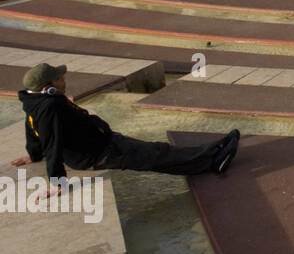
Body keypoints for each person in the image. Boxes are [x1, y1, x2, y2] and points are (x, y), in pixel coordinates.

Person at [15, 63, 239, 196]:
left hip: (102, 143)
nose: (64, 79)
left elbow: (31, 127)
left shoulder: (35, 102)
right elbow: (52, 142)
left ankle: (211, 153)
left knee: (154, 153)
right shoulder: (50, 107)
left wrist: (33, 155)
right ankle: (213, 159)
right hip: (98, 152)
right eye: (59, 78)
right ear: (49, 87)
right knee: (154, 156)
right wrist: (57, 182)